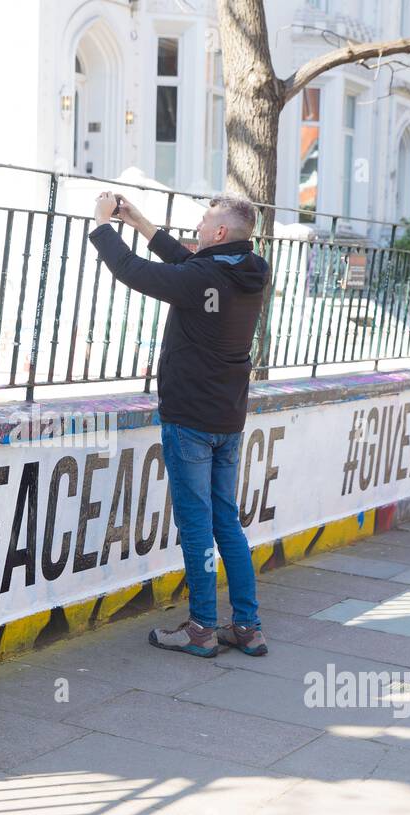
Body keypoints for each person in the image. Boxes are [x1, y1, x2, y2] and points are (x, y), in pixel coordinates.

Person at [88, 190, 271, 658]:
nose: (199, 223)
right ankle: (247, 627)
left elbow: (135, 272)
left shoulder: (204, 275)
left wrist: (102, 225)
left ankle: (202, 628)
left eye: (205, 219)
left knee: (196, 525)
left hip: (190, 418)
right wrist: (141, 221)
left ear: (219, 232)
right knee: (227, 522)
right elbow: (188, 267)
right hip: (228, 418)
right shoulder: (249, 271)